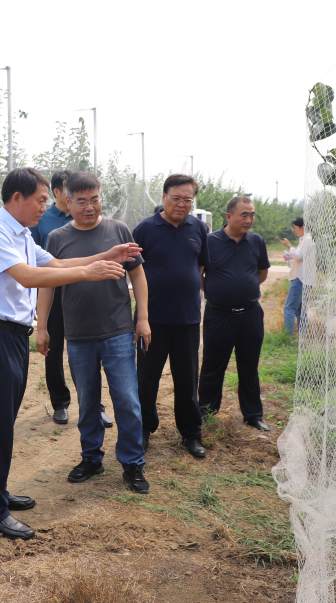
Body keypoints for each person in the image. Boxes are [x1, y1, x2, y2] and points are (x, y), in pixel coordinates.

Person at [0, 167, 140, 540]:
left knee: (3, 423)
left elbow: (57, 264)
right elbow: (29, 277)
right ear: (18, 198)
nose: (46, 206)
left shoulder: (21, 234)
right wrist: (89, 272)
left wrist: (105, 255)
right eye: (41, 200)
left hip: (13, 337)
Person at [36, 172, 151, 494]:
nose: (89, 207)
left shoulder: (118, 230)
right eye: (82, 201)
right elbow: (46, 284)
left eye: (95, 199)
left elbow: (138, 276)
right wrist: (42, 327)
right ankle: (91, 458)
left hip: (118, 331)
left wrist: (142, 318)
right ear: (68, 201)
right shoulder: (56, 238)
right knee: (87, 401)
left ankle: (132, 464)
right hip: (78, 335)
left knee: (126, 400)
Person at [132, 174, 210, 458]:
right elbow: (133, 270)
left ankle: (191, 433)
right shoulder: (145, 229)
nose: (181, 204)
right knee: (147, 377)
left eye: (187, 199)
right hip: (151, 319)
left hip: (187, 318)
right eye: (176, 198)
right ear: (164, 197)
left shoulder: (198, 228)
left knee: (187, 379)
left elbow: (200, 266)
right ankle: (143, 428)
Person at [30, 170, 111, 428]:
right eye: (74, 194)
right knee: (53, 351)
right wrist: (39, 309)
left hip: (85, 296)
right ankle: (60, 403)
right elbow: (36, 263)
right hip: (55, 293)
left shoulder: (90, 218)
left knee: (90, 351)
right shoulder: (42, 220)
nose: (85, 203)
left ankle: (96, 405)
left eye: (90, 198)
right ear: (60, 193)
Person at [198, 196, 271, 432]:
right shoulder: (210, 241)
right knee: (213, 366)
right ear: (229, 216)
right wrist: (217, 291)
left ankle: (253, 415)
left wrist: (243, 288)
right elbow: (199, 274)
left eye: (252, 215)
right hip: (219, 315)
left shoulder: (256, 241)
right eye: (244, 215)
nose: (249, 220)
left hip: (250, 314)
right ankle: (206, 412)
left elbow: (261, 273)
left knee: (249, 366)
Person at [280, 217, 316, 336]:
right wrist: (290, 257)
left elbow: (299, 256)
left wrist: (289, 246)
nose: (293, 231)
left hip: (300, 279)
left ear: (302, 228)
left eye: (294, 228)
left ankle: (287, 336)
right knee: (300, 309)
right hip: (304, 278)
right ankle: (302, 336)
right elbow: (300, 258)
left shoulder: (307, 240)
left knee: (289, 308)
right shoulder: (305, 240)